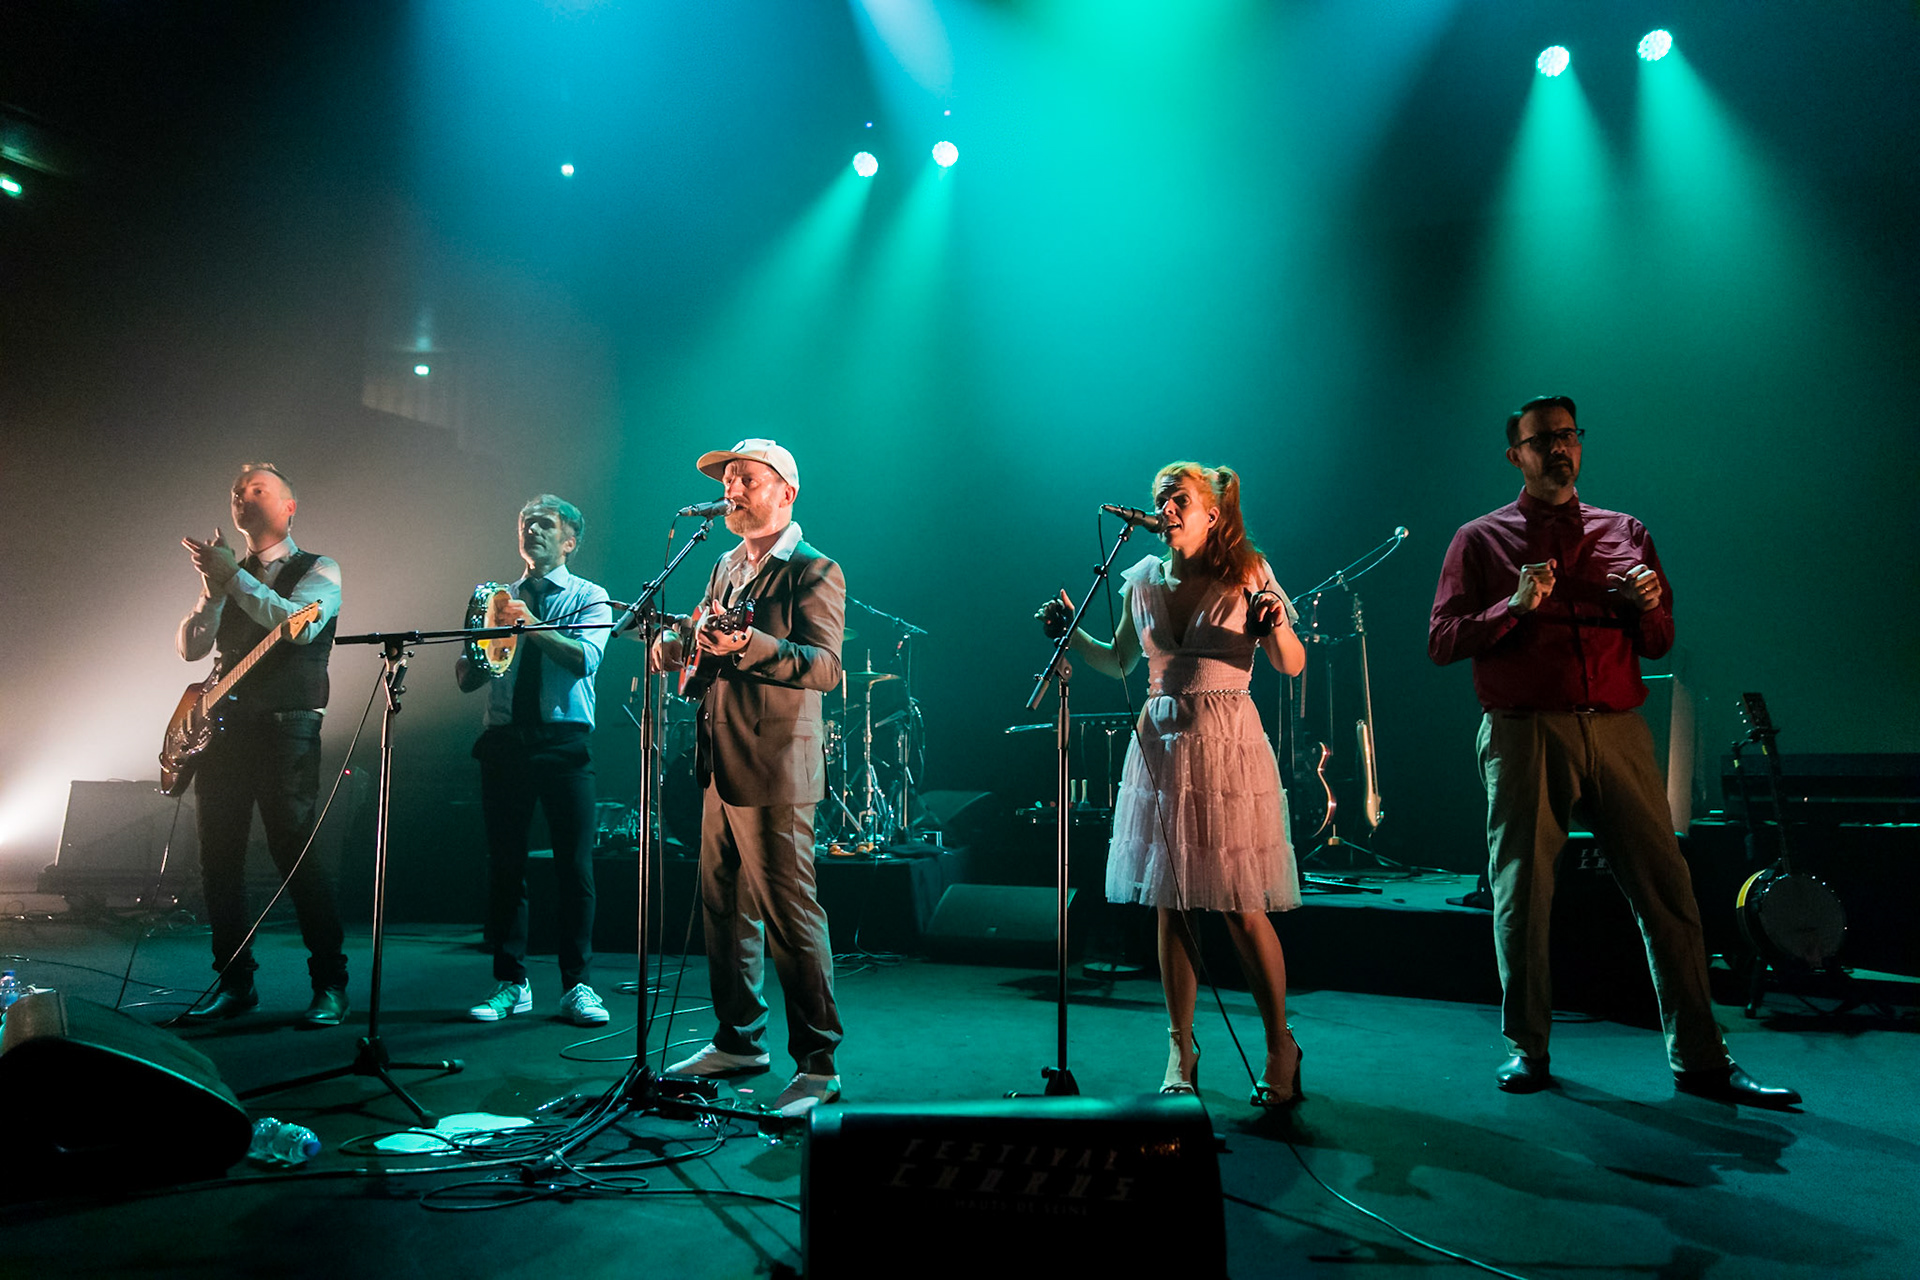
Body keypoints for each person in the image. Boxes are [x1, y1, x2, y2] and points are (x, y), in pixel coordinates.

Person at [1429, 395, 1799, 1107]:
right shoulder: (1480, 539)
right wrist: (1512, 608)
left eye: (1567, 436)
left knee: (1668, 891)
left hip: (1618, 728)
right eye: (1542, 440)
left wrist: (1649, 607)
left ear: (1580, 444)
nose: (1558, 448)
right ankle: (1527, 1047)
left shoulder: (1625, 531)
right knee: (1523, 895)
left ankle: (1702, 1059)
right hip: (1526, 730)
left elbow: (1659, 642)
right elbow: (1441, 640)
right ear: (1516, 456)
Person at [1044, 462, 1308, 1105]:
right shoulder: (1140, 580)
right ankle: (1180, 1046)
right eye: (1161, 497)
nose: (1166, 506)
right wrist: (1070, 635)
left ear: (1212, 515)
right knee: (1174, 901)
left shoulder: (1248, 572)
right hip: (1161, 744)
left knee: (1240, 903)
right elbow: (1118, 661)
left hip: (1226, 742)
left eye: (1179, 498)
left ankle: (1280, 1044)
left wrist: (1276, 625)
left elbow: (1292, 664)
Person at [653, 439, 846, 1120]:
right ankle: (738, 1041)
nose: (730, 491)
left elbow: (826, 668)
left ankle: (818, 1065)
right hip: (719, 759)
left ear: (786, 491)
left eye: (745, 480)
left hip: (776, 765)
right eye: (727, 481)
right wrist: (679, 647)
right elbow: (705, 648)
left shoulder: (814, 569)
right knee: (724, 907)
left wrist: (751, 646)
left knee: (790, 916)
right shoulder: (724, 565)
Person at [177, 463, 349, 1027]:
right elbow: (191, 649)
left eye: (257, 489)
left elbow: (298, 626)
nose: (243, 497)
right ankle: (234, 983)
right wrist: (212, 593)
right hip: (223, 730)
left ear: (289, 507)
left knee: (294, 853)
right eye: (237, 491)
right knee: (218, 860)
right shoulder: (230, 575)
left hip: (286, 727)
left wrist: (232, 579)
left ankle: (330, 984)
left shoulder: (319, 568)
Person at [457, 495, 613, 1028]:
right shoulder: (494, 599)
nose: (533, 530)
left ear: (569, 541)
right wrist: (485, 641)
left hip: (564, 743)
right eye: (526, 523)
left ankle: (577, 986)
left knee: (575, 868)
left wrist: (529, 625)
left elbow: (584, 659)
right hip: (504, 742)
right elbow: (466, 677)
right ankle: (511, 982)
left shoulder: (590, 596)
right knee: (506, 865)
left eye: (545, 524)